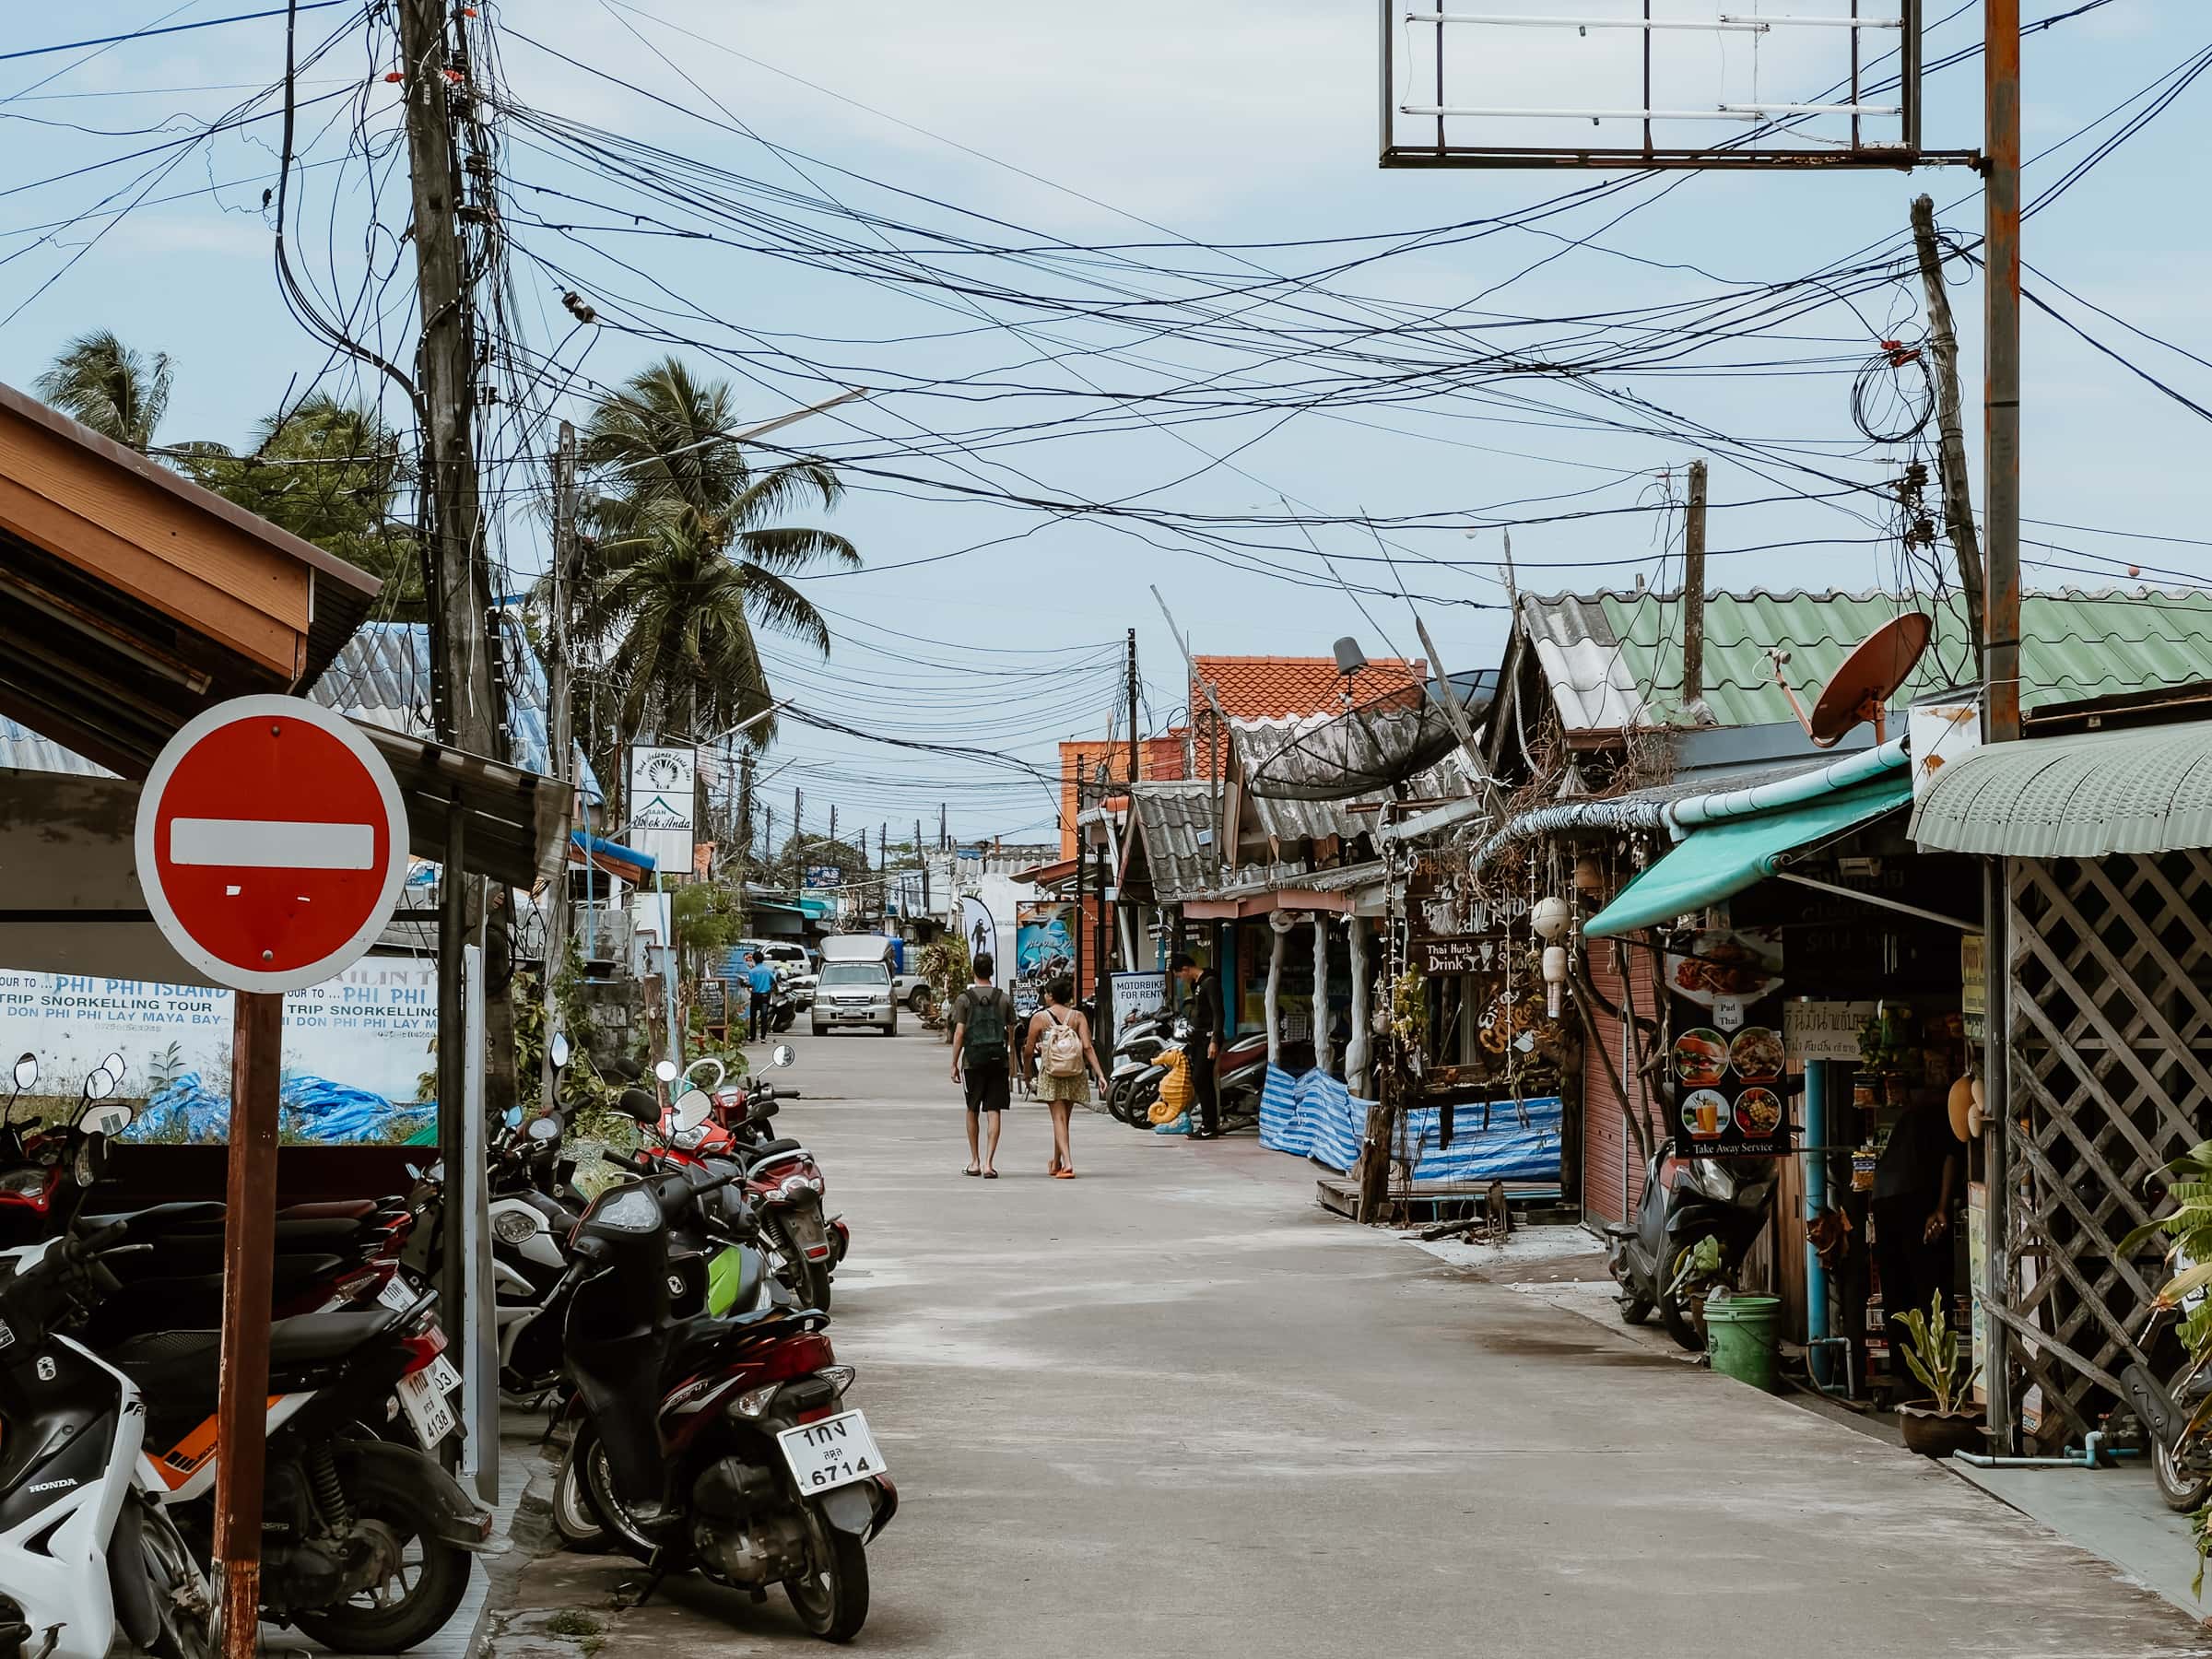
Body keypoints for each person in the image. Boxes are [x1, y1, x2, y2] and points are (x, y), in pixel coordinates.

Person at [1874, 1089, 1964, 1346]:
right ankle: (1938, 1361)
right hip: (1915, 1196)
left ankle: (1904, 1363)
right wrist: (1941, 1208)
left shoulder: (1912, 1115)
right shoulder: (1953, 1114)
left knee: (1897, 1293)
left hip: (1884, 1198)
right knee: (1933, 1289)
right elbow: (1951, 1159)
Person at [1023, 975, 1107, 1179]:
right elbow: (1087, 1047)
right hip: (1074, 1072)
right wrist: (1100, 1074)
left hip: (1051, 1072)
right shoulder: (1078, 1017)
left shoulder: (1040, 1018)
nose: (1045, 996)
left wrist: (1027, 1073)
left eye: (1046, 993)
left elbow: (1028, 1050)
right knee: (1063, 1120)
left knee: (1058, 1119)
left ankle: (1068, 1163)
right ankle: (1056, 1162)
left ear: (1051, 995)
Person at [949, 953, 1014, 1178]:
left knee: (972, 1109)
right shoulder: (1004, 998)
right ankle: (989, 1163)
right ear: (992, 971)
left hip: (973, 1061)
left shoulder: (964, 999)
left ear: (973, 971)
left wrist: (954, 1063)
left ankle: (974, 1161)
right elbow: (1011, 1031)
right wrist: (1011, 1060)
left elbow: (959, 1033)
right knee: (993, 1109)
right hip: (998, 1061)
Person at [1171, 951, 1224, 1139]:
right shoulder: (1197, 984)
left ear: (1186, 969)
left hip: (1209, 1039)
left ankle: (1209, 1125)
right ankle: (1208, 1124)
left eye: (1179, 976)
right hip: (1198, 1038)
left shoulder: (1210, 983)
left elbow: (1218, 1013)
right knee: (1200, 1079)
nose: (1181, 980)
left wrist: (1214, 1040)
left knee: (1201, 1078)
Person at [744, 950, 778, 1043]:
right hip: (765, 995)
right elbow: (773, 980)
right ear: (763, 959)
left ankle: (752, 1036)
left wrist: (746, 984)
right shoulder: (768, 971)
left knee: (753, 1015)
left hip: (755, 995)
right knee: (764, 1015)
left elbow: (751, 983)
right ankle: (763, 1037)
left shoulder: (752, 971)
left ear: (754, 959)